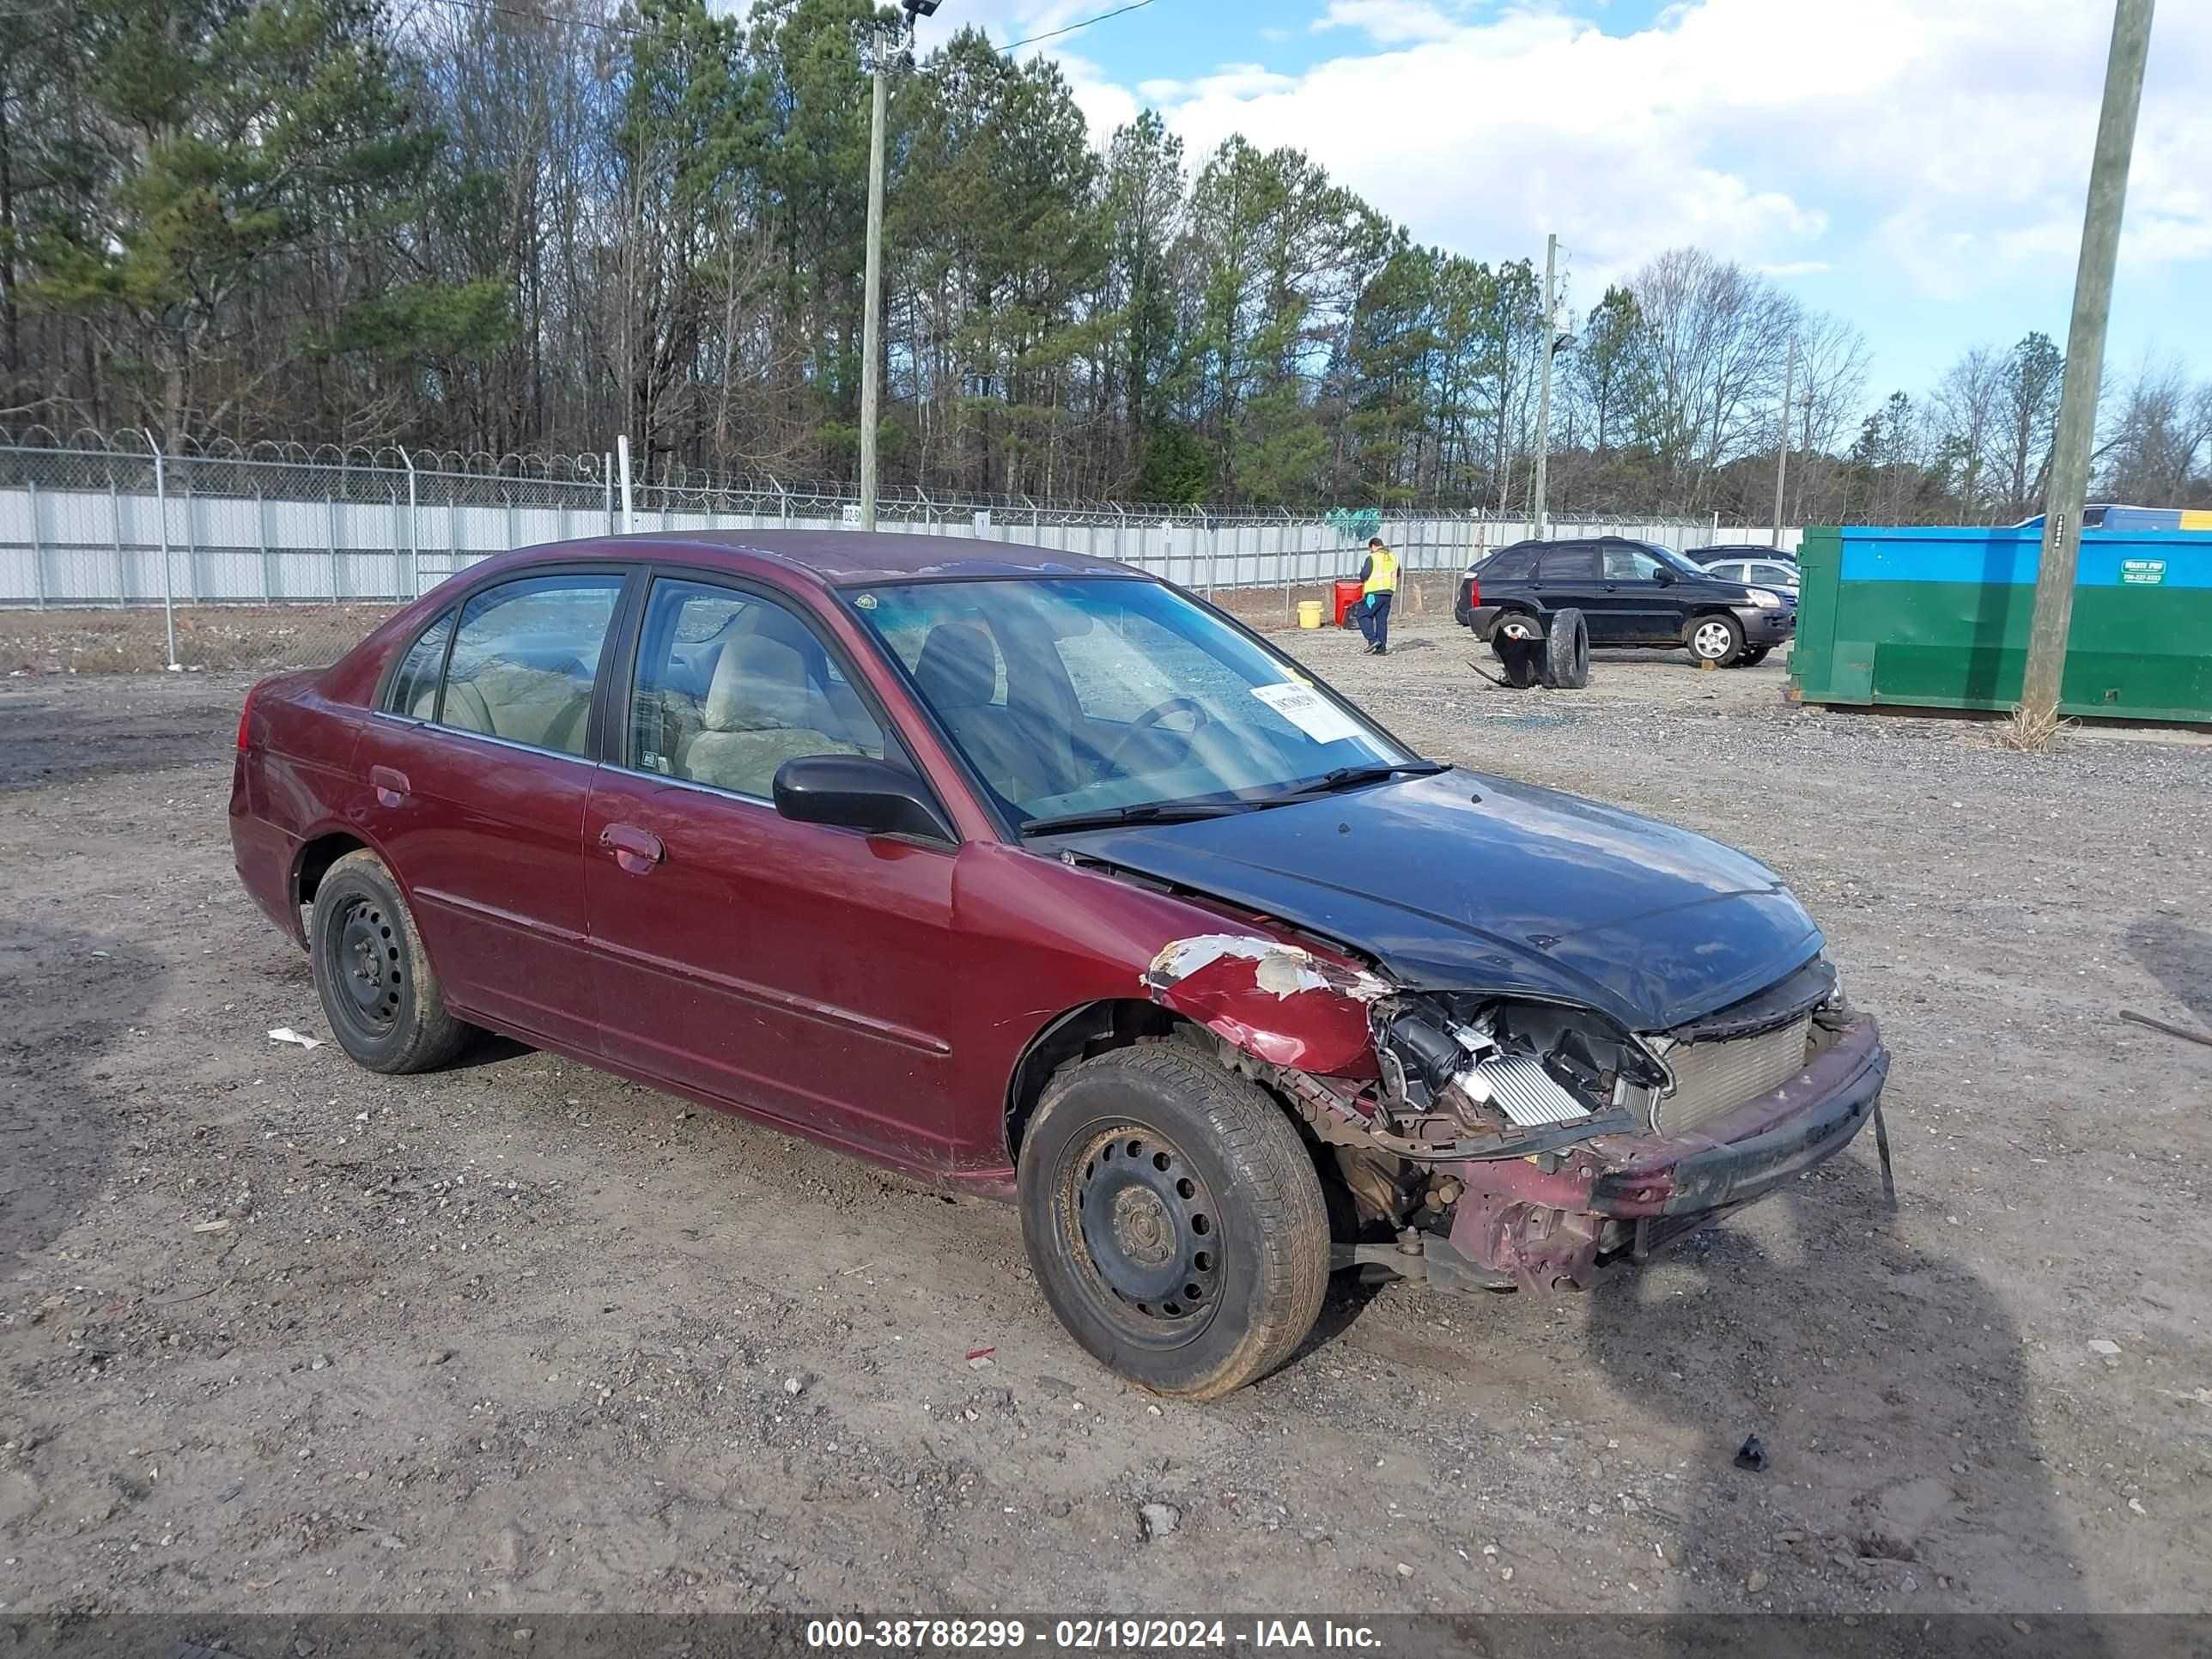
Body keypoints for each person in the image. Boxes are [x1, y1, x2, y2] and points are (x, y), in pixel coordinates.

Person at [1352, 535, 1397, 654]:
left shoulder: (1372, 557)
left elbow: (1365, 575)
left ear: (1373, 546)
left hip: (1374, 593)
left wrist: (1362, 575)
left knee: (1363, 615)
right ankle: (1381, 648)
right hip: (1388, 593)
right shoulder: (1393, 557)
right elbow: (1397, 574)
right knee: (1381, 621)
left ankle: (1372, 640)